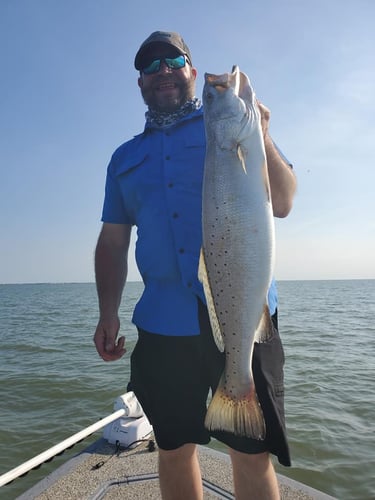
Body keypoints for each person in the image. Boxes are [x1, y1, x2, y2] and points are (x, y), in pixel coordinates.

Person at [93, 30, 297, 500]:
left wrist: (261, 134)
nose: (162, 70)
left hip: (244, 315)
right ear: (140, 82)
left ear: (190, 67)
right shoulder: (124, 158)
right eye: (149, 66)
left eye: (173, 60)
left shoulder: (232, 125)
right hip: (163, 322)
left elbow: (283, 201)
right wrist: (108, 313)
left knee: (251, 452)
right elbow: (112, 241)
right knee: (172, 445)